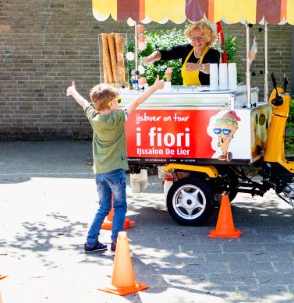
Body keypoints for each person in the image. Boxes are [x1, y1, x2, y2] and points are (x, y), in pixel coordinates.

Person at [67, 77, 164, 253]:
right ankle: (116, 242)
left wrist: (73, 91)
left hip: (100, 172)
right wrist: (155, 87)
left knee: (103, 207)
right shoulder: (118, 118)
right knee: (119, 206)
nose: (119, 104)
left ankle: (90, 241)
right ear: (111, 104)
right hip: (115, 171)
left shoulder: (94, 117)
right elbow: (137, 102)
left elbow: (83, 103)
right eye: (118, 101)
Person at [141, 20, 221, 86]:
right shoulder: (185, 50)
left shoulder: (213, 53)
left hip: (207, 97)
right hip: (188, 95)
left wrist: (199, 67)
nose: (197, 40)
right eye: (194, 37)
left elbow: (212, 68)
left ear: (208, 38)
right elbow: (164, 53)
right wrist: (151, 57)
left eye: (201, 37)